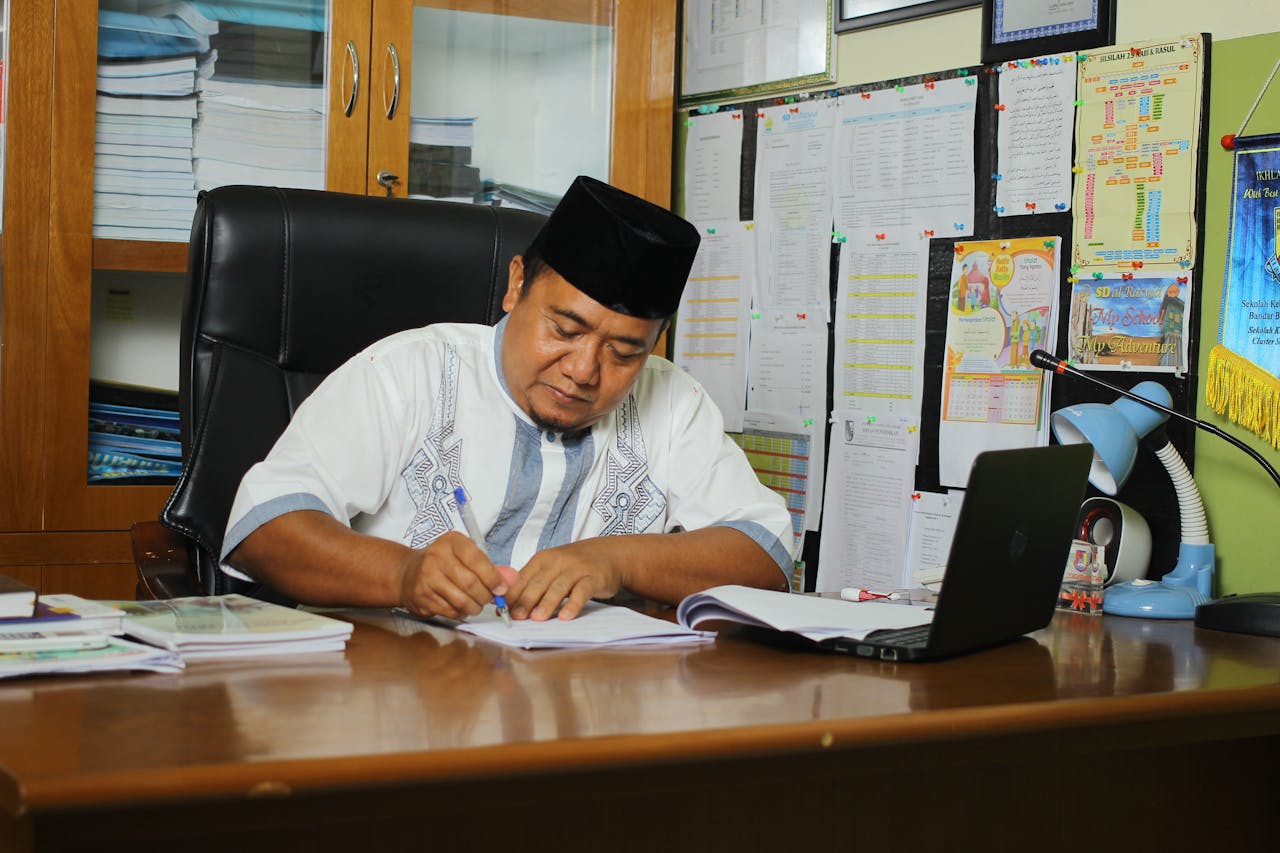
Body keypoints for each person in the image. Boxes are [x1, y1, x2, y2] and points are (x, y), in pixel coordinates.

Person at [221, 175, 793, 622]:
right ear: (517, 284)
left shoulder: (673, 400)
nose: (583, 370)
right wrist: (403, 575)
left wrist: (615, 561)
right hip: (393, 698)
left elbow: (764, 554)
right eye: (564, 330)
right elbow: (263, 531)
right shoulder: (409, 371)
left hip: (588, 710)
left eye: (624, 351)